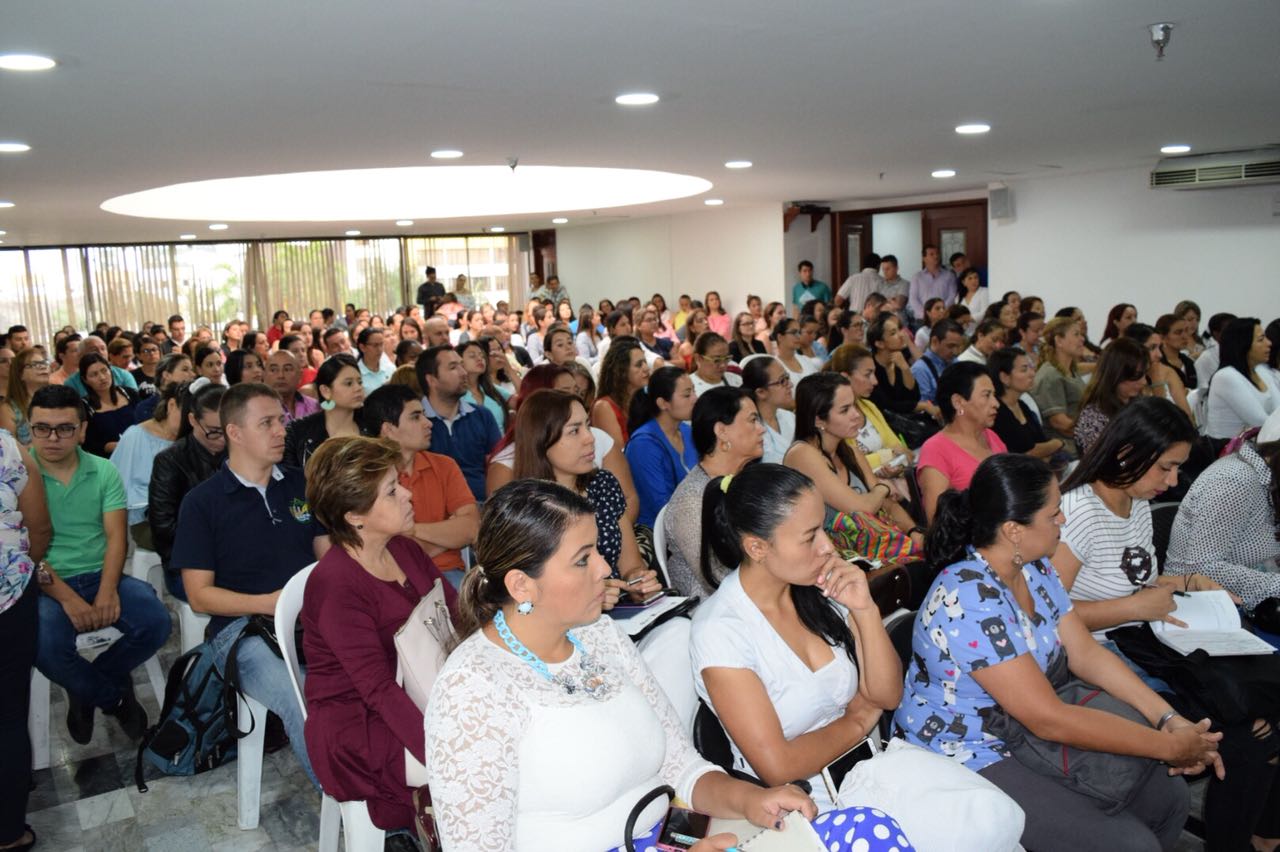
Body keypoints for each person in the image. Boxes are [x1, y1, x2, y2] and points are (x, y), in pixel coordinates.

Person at [425, 479, 840, 852]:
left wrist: (754, 800)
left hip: (674, 833)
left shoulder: (599, 636)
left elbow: (680, 765)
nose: (606, 569)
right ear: (521, 585)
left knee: (857, 831)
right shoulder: (473, 689)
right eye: (583, 559)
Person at [894, 453, 1214, 852]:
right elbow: (1047, 719)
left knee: (1169, 800)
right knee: (1129, 844)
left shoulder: (1034, 568)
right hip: (969, 747)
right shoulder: (968, 595)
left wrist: (1167, 719)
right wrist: (1167, 747)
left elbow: (1086, 653)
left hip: (1024, 724)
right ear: (1013, 529)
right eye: (1053, 514)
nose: (1063, 521)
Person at [1052, 398, 1280, 852]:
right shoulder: (1077, 512)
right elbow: (1053, 616)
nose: (1173, 482)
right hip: (1096, 655)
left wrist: (1188, 582)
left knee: (1265, 706)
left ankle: (1262, 835)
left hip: (1145, 638)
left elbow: (1135, 581)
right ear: (1127, 454)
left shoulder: (1132, 502)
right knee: (1240, 739)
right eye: (1166, 468)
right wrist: (1137, 608)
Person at [691, 463, 901, 803]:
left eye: (823, 529)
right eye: (810, 536)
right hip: (799, 802)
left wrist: (865, 611)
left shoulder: (817, 588)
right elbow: (779, 766)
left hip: (867, 770)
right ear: (757, 548)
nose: (828, 547)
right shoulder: (720, 630)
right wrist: (858, 721)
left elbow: (887, 695)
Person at [300, 436, 458, 832]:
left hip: (418, 690)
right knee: (485, 764)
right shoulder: (336, 585)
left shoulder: (403, 548)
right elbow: (376, 690)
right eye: (391, 490)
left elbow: (457, 616)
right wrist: (441, 751)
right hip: (360, 725)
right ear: (355, 515)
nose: (407, 494)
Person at [174, 383, 329, 783]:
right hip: (244, 633)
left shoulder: (299, 484)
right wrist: (270, 604)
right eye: (267, 423)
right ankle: (352, 810)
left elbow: (327, 554)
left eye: (282, 420)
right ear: (235, 433)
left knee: (375, 672)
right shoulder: (203, 502)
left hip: (309, 618)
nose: (282, 431)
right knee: (303, 700)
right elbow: (199, 595)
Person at [30, 385, 170, 743]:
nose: (52, 438)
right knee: (42, 645)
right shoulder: (17, 477)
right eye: (41, 428)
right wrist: (67, 598)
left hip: (100, 573)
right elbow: (26, 555)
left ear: (82, 430)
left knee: (155, 622)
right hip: (46, 585)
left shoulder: (103, 471)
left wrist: (108, 590)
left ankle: (86, 687)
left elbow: (116, 539)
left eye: (64, 428)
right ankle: (115, 696)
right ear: (29, 429)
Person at [512, 390, 656, 597]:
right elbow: (531, 598)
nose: (590, 438)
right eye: (574, 431)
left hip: (621, 610)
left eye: (587, 425)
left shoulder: (603, 485)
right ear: (542, 441)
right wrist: (591, 598)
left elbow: (631, 565)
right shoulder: (525, 509)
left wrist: (639, 582)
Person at [784, 373, 922, 550]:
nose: (857, 415)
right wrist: (884, 487)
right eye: (844, 410)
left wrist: (913, 532)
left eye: (854, 405)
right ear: (818, 419)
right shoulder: (802, 454)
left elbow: (888, 504)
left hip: (873, 548)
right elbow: (861, 509)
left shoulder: (851, 451)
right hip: (833, 560)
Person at [361, 385, 479, 583]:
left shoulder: (444, 466)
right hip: (391, 579)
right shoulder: (369, 475)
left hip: (446, 575)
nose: (428, 423)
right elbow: (381, 549)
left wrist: (411, 530)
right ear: (388, 429)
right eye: (416, 417)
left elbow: (471, 529)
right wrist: (447, 535)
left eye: (424, 415)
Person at [486, 365, 635, 515]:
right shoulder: (507, 471)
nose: (589, 438)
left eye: (576, 391)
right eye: (562, 392)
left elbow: (629, 500)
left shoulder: (600, 481)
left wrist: (607, 533)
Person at [0, 417, 49, 852]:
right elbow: (38, 528)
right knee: (8, 714)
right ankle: (9, 831)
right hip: (8, 596)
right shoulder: (7, 449)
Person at [664, 388, 765, 595]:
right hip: (710, 607)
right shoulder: (692, 501)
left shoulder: (749, 480)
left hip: (759, 589)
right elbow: (716, 577)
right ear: (722, 431)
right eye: (752, 420)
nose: (761, 429)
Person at [148, 382, 226, 601]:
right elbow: (164, 529)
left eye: (229, 429)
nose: (222, 439)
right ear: (192, 420)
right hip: (188, 563)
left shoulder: (240, 452)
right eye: (213, 432)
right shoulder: (170, 461)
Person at [916, 363, 1008, 521]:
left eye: (994, 395)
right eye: (986, 395)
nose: (996, 403)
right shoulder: (936, 450)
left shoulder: (991, 437)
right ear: (958, 402)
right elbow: (937, 521)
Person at [417, 344, 501, 502]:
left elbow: (497, 466)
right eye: (453, 367)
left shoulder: (482, 415)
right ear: (432, 380)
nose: (464, 373)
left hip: (483, 504)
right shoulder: (415, 421)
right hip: (435, 508)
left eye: (462, 365)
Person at [825, 344, 914, 484]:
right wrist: (888, 454)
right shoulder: (832, 417)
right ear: (845, 377)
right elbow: (849, 464)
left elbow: (903, 452)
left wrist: (898, 466)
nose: (875, 381)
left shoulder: (869, 407)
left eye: (874, 373)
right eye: (868, 374)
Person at [109, 382, 181, 551]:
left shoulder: (193, 437)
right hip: (147, 520)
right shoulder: (135, 436)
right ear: (171, 405)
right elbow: (116, 487)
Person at [624, 367, 697, 529]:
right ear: (663, 403)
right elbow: (662, 506)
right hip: (660, 531)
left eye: (694, 391)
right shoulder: (643, 445)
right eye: (687, 395)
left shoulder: (688, 431)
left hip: (693, 519)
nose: (695, 398)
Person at [284, 353, 365, 470]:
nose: (358, 388)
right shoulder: (298, 432)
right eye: (349, 383)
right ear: (325, 391)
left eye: (360, 382)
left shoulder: (371, 427)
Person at [1205, 316, 1279, 440]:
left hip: (1258, 445)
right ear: (1243, 345)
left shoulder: (1262, 371)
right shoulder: (1225, 377)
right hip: (1228, 451)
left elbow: (1278, 411)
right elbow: (1260, 422)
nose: (1269, 343)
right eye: (1261, 339)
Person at [1072, 338, 1150, 455]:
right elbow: (1101, 464)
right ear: (1116, 374)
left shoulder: (1138, 403)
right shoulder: (1093, 416)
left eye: (1145, 374)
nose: (1144, 382)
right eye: (1136, 375)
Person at [988, 348, 1064, 463]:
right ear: (1005, 377)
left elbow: (1041, 443)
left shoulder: (1022, 404)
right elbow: (1026, 453)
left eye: (1031, 368)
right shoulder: (997, 412)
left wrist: (1047, 449)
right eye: (1024, 370)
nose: (1032, 374)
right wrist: (1057, 443)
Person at [1031, 316, 1087, 456]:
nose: (1082, 339)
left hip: (1080, 443)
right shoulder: (1050, 375)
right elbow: (1059, 423)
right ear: (1059, 341)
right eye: (1076, 334)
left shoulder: (1071, 370)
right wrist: (1095, 434)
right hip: (1067, 450)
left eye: (1081, 334)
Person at [591, 336, 650, 447]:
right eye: (639, 365)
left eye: (645, 362)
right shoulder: (604, 407)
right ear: (621, 371)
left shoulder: (646, 398)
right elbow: (619, 454)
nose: (646, 368)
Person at [868, 314, 929, 418]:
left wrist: (905, 368)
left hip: (905, 420)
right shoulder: (870, 368)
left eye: (899, 330)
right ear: (880, 344)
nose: (901, 335)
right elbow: (886, 406)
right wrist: (924, 406)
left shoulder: (899, 359)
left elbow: (914, 397)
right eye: (893, 333)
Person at [79, 353, 138, 457]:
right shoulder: (84, 406)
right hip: (109, 460)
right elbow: (87, 444)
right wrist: (109, 447)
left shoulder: (130, 394)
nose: (102, 377)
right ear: (85, 380)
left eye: (104, 371)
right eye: (94, 374)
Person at [741, 356, 795, 465]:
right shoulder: (750, 430)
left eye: (787, 377)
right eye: (782, 381)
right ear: (761, 392)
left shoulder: (790, 417)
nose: (790, 385)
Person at [457, 339, 511, 431]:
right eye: (472, 356)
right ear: (459, 362)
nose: (479, 359)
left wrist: (509, 369)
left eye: (482, 355)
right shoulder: (455, 394)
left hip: (501, 443)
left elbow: (524, 401)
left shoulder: (491, 389)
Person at [910, 318, 966, 405]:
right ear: (935, 341)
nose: (956, 352)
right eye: (951, 346)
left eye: (958, 347)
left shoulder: (955, 362)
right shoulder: (920, 370)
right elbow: (925, 408)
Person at [0, 348, 50, 445]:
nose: (43, 367)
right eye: (34, 364)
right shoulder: (8, 409)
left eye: (44, 363)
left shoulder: (59, 398)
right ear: (20, 374)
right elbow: (11, 450)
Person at [64, 335, 139, 396]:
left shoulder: (123, 375)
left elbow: (135, 401)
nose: (100, 352)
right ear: (81, 355)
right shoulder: (71, 382)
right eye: (94, 349)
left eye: (103, 348)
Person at [266, 349, 319, 424]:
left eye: (287, 369)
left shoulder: (315, 406)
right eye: (274, 370)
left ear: (300, 375)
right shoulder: (256, 408)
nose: (281, 375)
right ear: (263, 375)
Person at [908, 245, 957, 319]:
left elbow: (952, 296)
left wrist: (941, 312)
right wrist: (926, 314)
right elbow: (913, 298)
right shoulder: (917, 277)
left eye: (937, 253)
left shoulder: (949, 275)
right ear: (924, 258)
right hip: (923, 319)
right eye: (931, 254)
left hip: (943, 317)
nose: (936, 256)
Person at [770, 317, 817, 388]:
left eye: (799, 333)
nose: (798, 336)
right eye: (793, 332)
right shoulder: (774, 366)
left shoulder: (806, 360)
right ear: (780, 337)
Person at [1155, 313, 1198, 391]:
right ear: (1162, 338)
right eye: (1178, 332)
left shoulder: (1189, 362)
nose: (1185, 336)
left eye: (1186, 331)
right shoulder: (1157, 364)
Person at [355, 327, 392, 393]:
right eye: (375, 345)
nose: (380, 349)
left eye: (381, 344)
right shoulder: (356, 373)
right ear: (362, 347)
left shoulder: (390, 368)